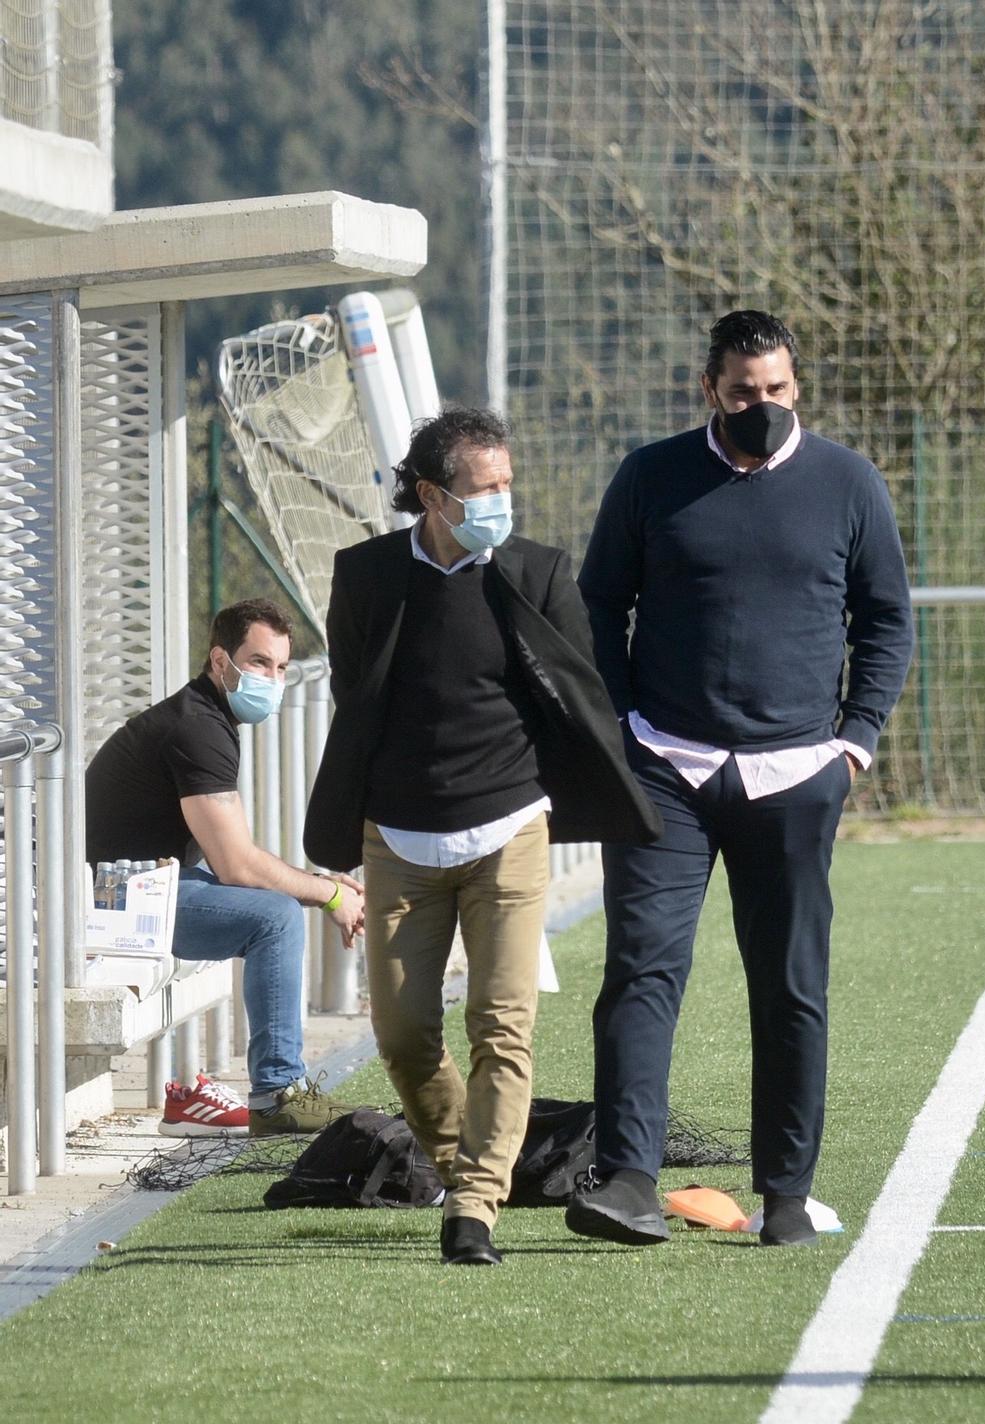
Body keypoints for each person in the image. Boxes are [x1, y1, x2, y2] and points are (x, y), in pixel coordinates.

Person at [571, 309, 913, 1249]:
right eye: (741, 392)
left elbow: (886, 618)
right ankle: (630, 1181)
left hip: (799, 773)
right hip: (666, 770)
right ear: (708, 391)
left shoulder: (849, 483)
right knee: (642, 966)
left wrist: (854, 742)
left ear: (796, 387)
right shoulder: (651, 476)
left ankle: (786, 1194)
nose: (759, 406)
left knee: (792, 984)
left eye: (776, 391)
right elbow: (601, 600)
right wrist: (625, 724)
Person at [304, 407, 660, 1267]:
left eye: (507, 483)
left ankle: (474, 1204)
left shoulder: (537, 573)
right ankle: (465, 1160)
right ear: (432, 496)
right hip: (399, 840)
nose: (503, 499)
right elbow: (359, 698)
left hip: (510, 831)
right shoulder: (367, 575)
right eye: (485, 487)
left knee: (502, 1023)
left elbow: (575, 690)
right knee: (400, 1033)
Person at [85, 599, 365, 1138]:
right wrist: (327, 896)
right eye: (259, 663)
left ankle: (269, 1090)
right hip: (116, 900)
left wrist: (324, 884)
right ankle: (278, 1093)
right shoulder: (196, 728)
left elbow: (239, 856)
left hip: (142, 886)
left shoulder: (207, 717)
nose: (273, 680)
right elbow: (237, 865)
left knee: (279, 902)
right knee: (276, 917)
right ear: (220, 661)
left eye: (281, 668)